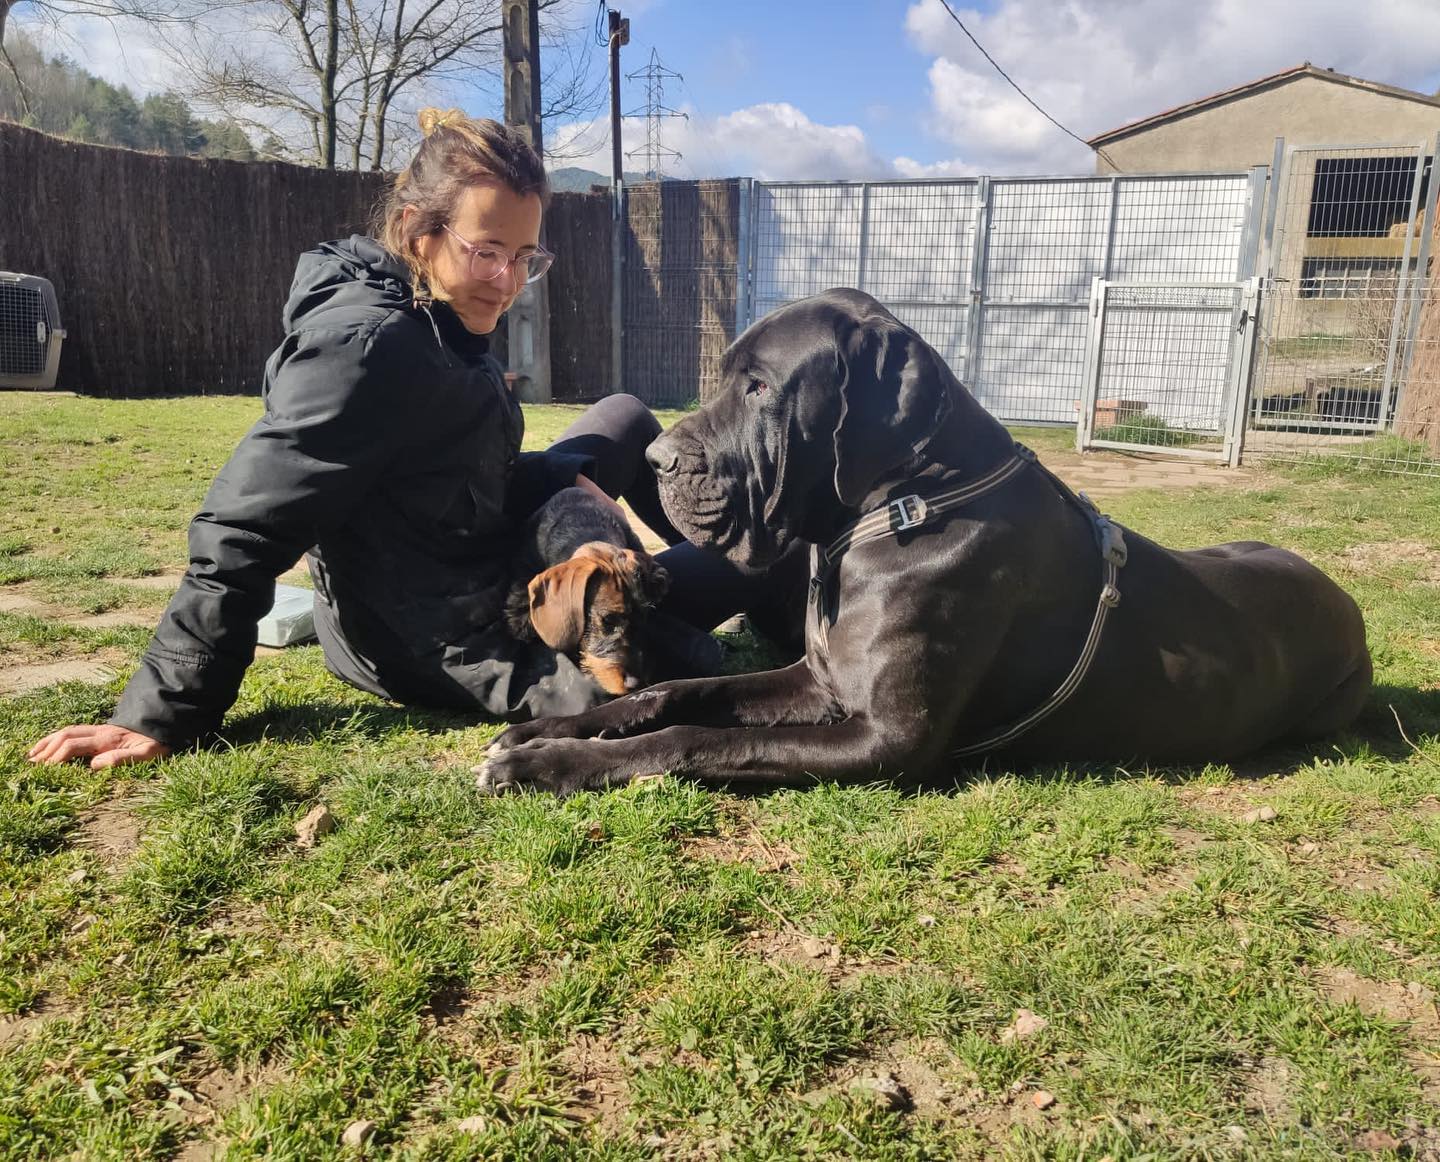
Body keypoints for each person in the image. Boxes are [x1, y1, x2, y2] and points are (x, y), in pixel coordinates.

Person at [29, 109, 802, 772]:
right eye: (487, 251)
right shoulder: (366, 351)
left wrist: (567, 482)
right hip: (451, 635)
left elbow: (453, 476)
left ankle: (668, 573)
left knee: (627, 415)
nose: (506, 280)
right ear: (416, 231)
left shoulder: (433, 313)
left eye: (525, 258)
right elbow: (244, 526)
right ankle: (725, 596)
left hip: (474, 551)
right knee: (779, 546)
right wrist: (164, 709)